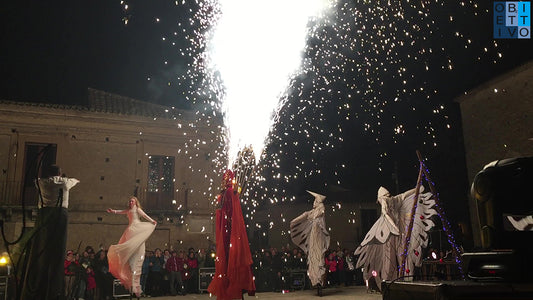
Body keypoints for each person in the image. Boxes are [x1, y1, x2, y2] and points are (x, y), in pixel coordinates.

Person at [21, 164, 80, 300]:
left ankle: (35, 288)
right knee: (58, 250)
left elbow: (36, 181)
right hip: (60, 214)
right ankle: (53, 291)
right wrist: (64, 178)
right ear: (60, 173)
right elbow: (76, 180)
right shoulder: (65, 182)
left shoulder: (41, 182)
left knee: (41, 247)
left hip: (44, 214)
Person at [207, 169, 256, 300]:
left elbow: (230, 210)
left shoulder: (226, 193)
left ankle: (234, 289)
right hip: (228, 230)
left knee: (231, 258)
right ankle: (233, 289)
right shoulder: (227, 193)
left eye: (225, 178)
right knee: (230, 258)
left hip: (228, 230)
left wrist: (235, 194)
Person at [106, 196, 157, 297]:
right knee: (129, 245)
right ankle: (129, 258)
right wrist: (113, 211)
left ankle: (136, 286)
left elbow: (144, 215)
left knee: (139, 245)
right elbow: (121, 212)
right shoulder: (129, 210)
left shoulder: (137, 209)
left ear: (135, 202)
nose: (131, 202)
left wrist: (152, 221)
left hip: (137, 228)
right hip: (131, 230)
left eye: (132, 201)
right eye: (130, 201)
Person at [290, 190, 330, 295]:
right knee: (313, 259)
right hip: (313, 238)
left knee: (319, 258)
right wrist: (294, 221)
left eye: (315, 201)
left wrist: (319, 212)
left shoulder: (320, 210)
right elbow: (305, 215)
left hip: (318, 237)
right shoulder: (312, 212)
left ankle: (320, 282)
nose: (314, 202)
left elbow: (321, 213)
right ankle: (316, 281)